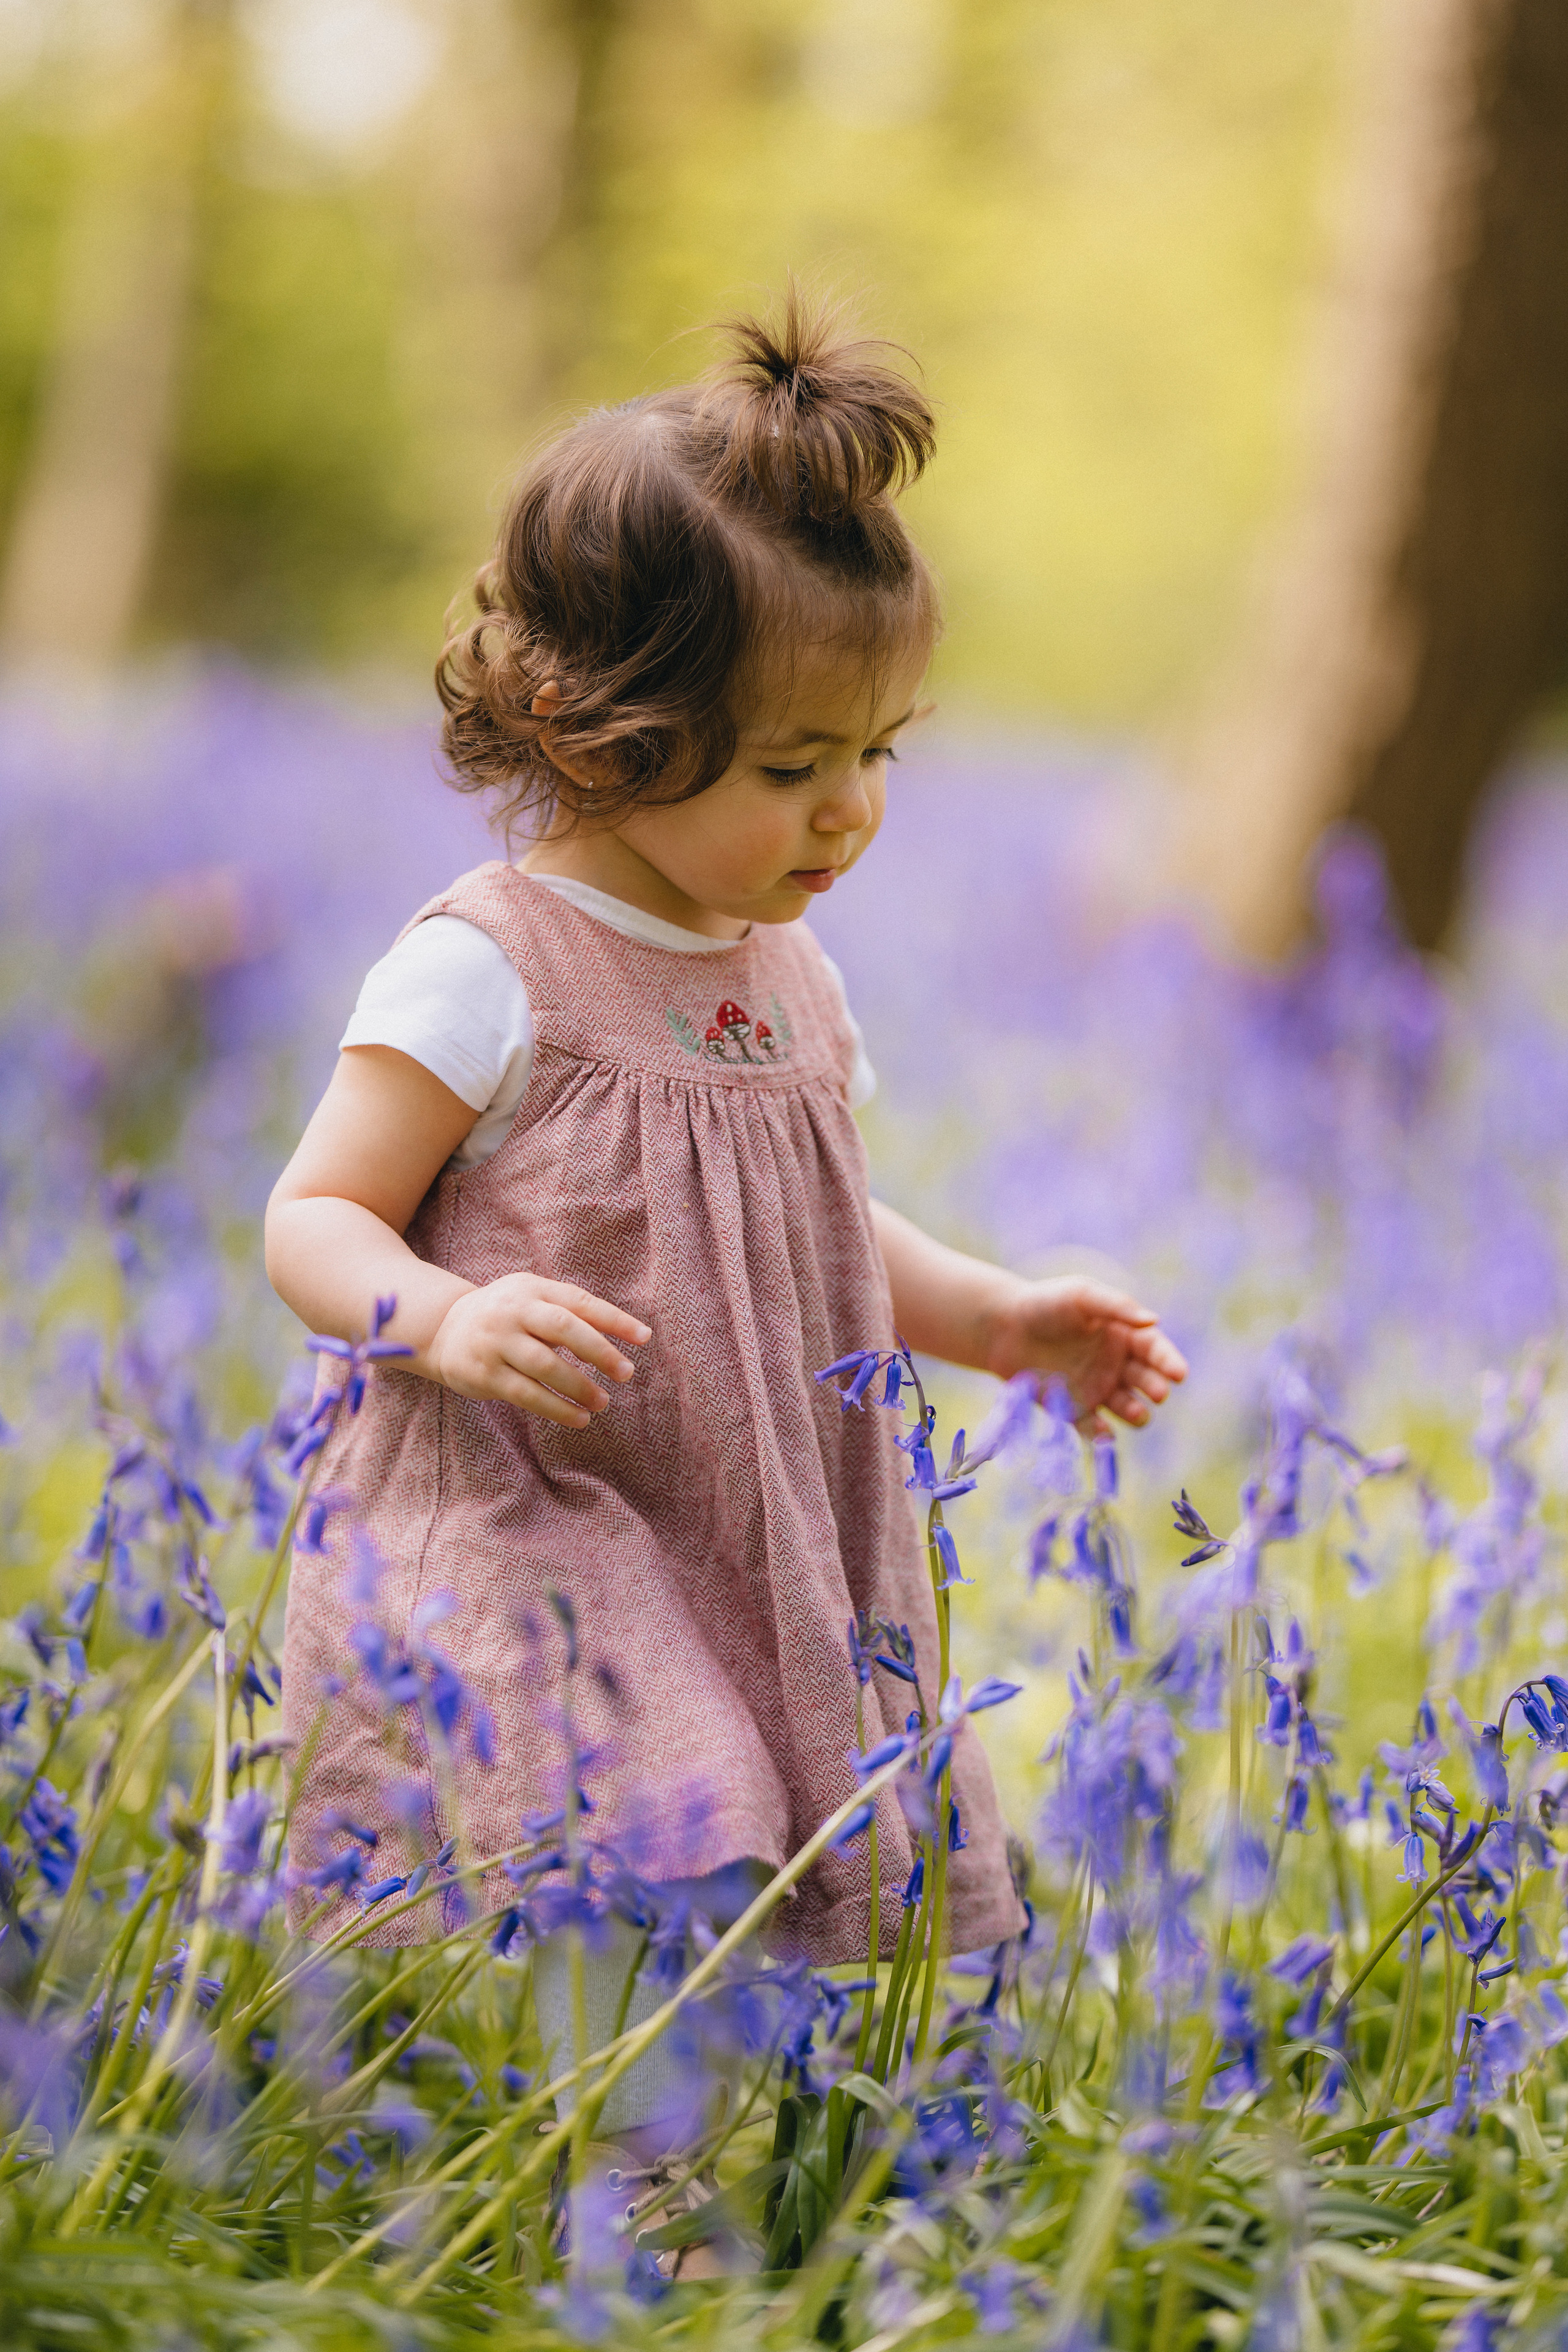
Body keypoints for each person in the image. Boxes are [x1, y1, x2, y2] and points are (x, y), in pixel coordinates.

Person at [265, 290, 1186, 2271]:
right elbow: (311, 1220)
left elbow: (824, 1227)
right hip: (542, 1499)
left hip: (744, 1501)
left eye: (876, 755)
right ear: (604, 729)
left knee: (765, 1831)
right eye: (793, 765)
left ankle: (729, 2142)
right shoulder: (484, 963)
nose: (848, 812)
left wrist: (998, 1317)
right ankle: (625, 2185)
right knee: (655, 1804)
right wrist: (442, 1316)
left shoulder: (787, 976)